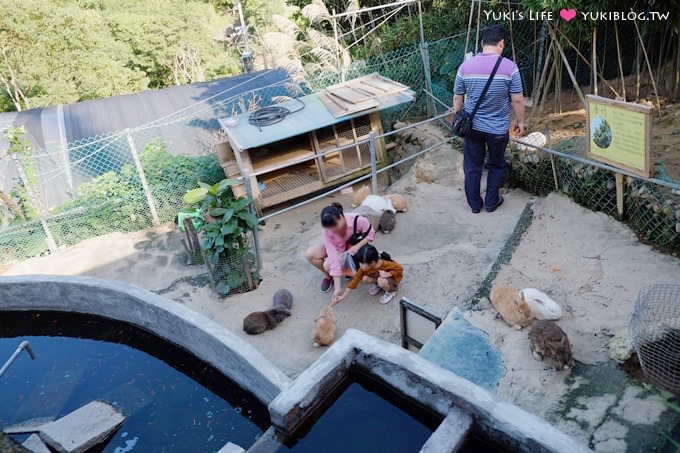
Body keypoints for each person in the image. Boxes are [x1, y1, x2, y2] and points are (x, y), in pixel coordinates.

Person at [449, 26, 525, 214]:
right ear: (502, 44)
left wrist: (458, 117)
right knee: (496, 164)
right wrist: (520, 121)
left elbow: (458, 97)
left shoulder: (465, 67)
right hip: (498, 130)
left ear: (482, 43)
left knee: (473, 166)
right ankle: (492, 201)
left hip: (472, 127)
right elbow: (517, 99)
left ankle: (475, 204)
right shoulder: (510, 68)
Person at [304, 202, 375, 300]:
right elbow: (333, 257)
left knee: (328, 265)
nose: (335, 231)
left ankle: (348, 271)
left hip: (354, 249)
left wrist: (358, 246)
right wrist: (337, 288)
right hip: (339, 249)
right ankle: (329, 276)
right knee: (310, 254)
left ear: (342, 217)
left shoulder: (357, 220)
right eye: (331, 230)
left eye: (336, 227)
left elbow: (371, 235)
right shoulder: (327, 231)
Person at [336, 244, 403, 305]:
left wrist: (388, 274)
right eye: (360, 263)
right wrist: (343, 295)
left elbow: (400, 269)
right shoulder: (363, 268)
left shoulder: (385, 264)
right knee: (364, 278)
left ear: (372, 263)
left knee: (381, 280)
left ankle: (391, 291)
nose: (360, 265)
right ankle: (378, 285)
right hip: (380, 278)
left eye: (362, 263)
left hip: (393, 280)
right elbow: (355, 281)